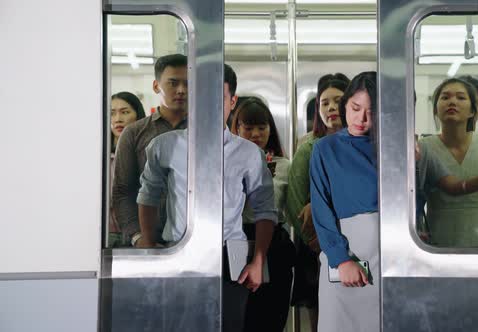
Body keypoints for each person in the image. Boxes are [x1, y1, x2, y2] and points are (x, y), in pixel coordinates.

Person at [136, 64, 277, 332]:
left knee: (228, 325)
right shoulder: (165, 146)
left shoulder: (248, 154)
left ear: (232, 101)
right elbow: (148, 194)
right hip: (177, 251)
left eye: (220, 99)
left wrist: (258, 261)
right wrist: (148, 243)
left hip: (229, 258)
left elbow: (265, 210)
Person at [310, 71, 379, 332]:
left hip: (388, 253)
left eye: (371, 112)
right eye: (355, 108)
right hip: (346, 253)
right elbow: (321, 208)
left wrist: (414, 163)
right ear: (345, 104)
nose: (361, 119)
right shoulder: (325, 149)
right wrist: (340, 259)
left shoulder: (392, 147)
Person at [285, 73, 350, 331]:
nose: (331, 107)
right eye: (324, 103)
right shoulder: (308, 148)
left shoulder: (366, 144)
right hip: (317, 250)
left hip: (357, 244)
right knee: (321, 317)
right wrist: (320, 243)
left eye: (338, 101)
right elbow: (294, 203)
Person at [230, 97, 296, 332]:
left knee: (271, 316)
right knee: (241, 316)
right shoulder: (227, 163)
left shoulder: (284, 165)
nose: (256, 133)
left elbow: (291, 207)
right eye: (248, 128)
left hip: (274, 243)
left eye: (262, 127)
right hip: (237, 240)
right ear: (236, 129)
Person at [112, 54, 188, 246]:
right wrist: (139, 238)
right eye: (173, 83)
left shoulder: (205, 133)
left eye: (188, 83)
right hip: (147, 240)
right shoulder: (135, 133)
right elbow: (123, 191)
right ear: (156, 86)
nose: (181, 90)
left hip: (192, 240)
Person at [420, 77, 478, 247]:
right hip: (437, 240)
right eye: (445, 97)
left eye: (460, 97)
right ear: (435, 109)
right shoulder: (423, 147)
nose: (452, 102)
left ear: (473, 111)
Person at [109, 92, 146, 247]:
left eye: (125, 112)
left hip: (142, 235)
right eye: (112, 113)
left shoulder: (149, 153)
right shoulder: (98, 157)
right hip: (107, 236)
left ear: (138, 115)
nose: (118, 119)